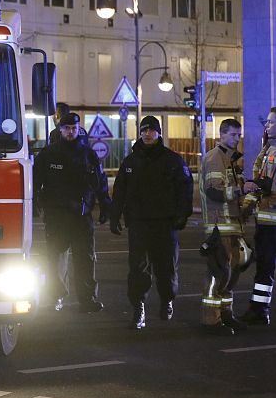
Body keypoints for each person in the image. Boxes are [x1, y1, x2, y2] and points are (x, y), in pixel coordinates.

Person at [109, 115, 193, 330]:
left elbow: (185, 189)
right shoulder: (130, 162)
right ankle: (139, 309)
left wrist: (183, 214)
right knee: (138, 270)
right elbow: (120, 191)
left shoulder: (172, 160)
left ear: (159, 133)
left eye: (151, 130)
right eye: (144, 130)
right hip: (138, 224)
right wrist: (114, 215)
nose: (147, 134)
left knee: (166, 268)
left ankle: (167, 300)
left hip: (165, 224)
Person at [34, 112, 111, 313]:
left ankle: (87, 300)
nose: (71, 132)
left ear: (79, 129)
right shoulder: (48, 154)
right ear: (60, 130)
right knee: (55, 260)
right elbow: (35, 182)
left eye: (74, 128)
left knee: (85, 259)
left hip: (81, 216)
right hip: (56, 216)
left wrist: (105, 204)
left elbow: (100, 182)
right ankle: (55, 297)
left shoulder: (88, 154)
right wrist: (34, 203)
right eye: (67, 128)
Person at [199, 119, 254, 335]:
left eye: (239, 135)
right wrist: (241, 190)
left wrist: (249, 199)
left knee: (231, 276)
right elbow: (214, 192)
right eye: (233, 135)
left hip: (233, 226)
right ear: (222, 135)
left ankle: (226, 315)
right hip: (218, 227)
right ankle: (211, 321)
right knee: (217, 275)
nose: (237, 139)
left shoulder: (230, 161)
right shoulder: (215, 159)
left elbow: (233, 194)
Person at [239, 106, 276, 326]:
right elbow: (258, 180)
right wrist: (247, 207)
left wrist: (261, 185)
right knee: (264, 268)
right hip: (265, 221)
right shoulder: (269, 150)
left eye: (272, 122)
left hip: (273, 222)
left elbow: (268, 184)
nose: (267, 125)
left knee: (265, 268)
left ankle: (259, 310)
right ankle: (259, 309)